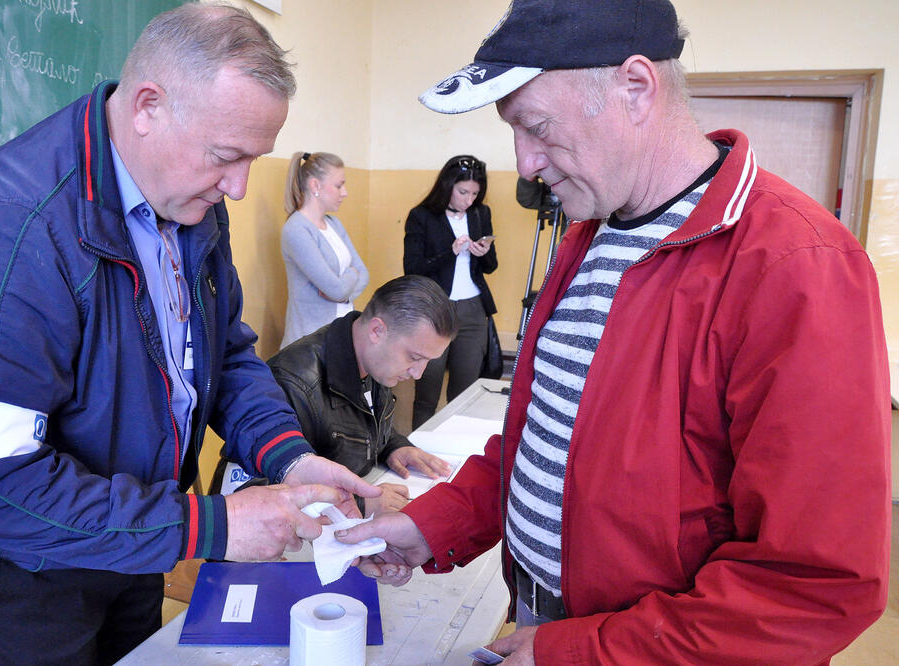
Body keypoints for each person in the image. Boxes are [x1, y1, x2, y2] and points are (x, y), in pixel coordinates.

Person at [338, 1, 891, 664]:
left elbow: (813, 587)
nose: (527, 164)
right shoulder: (589, 237)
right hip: (544, 619)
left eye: (538, 128)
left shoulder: (797, 266)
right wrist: (433, 526)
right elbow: (543, 439)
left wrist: (578, 652)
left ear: (635, 88)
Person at [0, 4, 379, 664]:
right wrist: (210, 525)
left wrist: (288, 455)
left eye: (253, 161)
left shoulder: (188, 195)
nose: (238, 188)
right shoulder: (5, 230)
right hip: (25, 569)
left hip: (139, 533)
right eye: (226, 157)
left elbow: (222, 352)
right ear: (149, 106)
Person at [269, 275, 457, 516]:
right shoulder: (293, 383)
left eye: (427, 361)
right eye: (415, 357)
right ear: (377, 330)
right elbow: (264, 493)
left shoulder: (373, 360)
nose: (418, 374)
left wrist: (393, 447)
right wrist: (359, 503)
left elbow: (360, 422)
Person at [404, 155, 498, 429]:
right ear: (447, 186)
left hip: (472, 310)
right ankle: (420, 448)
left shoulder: (481, 214)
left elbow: (491, 267)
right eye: (463, 192)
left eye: (475, 193)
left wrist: (483, 253)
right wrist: (451, 252)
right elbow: (412, 269)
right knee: (427, 394)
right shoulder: (422, 216)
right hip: (435, 310)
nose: (469, 200)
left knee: (465, 393)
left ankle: (455, 454)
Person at [280, 151, 369, 348]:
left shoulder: (334, 223)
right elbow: (335, 290)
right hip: (309, 343)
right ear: (315, 186)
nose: (344, 192)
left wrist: (345, 288)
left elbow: (363, 273)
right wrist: (349, 278)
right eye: (339, 185)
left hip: (340, 334)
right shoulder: (296, 229)